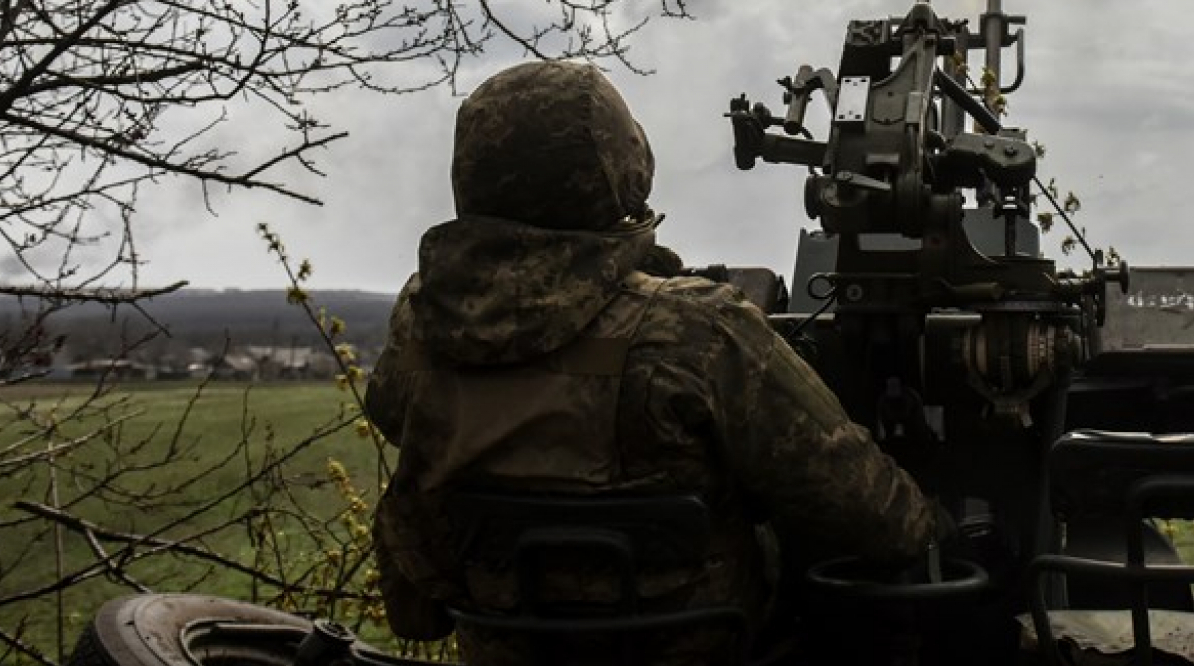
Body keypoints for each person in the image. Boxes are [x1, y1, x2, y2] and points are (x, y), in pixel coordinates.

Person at [365, 60, 940, 664]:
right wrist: (937, 524)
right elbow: (876, 518)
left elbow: (403, 415)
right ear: (621, 169)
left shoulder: (422, 325)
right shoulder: (698, 330)